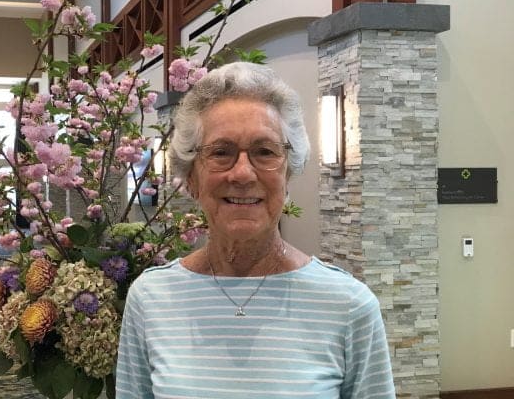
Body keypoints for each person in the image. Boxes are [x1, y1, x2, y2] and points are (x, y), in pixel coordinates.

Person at [116, 62, 395, 398]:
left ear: (288, 173)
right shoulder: (151, 299)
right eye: (221, 152)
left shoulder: (348, 305)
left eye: (265, 152)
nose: (244, 174)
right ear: (192, 178)